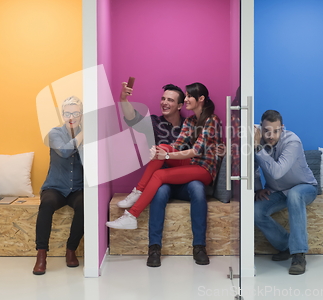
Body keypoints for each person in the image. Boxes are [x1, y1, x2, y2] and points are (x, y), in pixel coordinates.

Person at [106, 82, 222, 266]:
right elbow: (134, 119)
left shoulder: (204, 120)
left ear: (180, 104)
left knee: (196, 188)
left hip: (194, 172)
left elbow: (196, 151)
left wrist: (166, 154)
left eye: (171, 99)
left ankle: (199, 247)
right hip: (166, 179)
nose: (165, 102)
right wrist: (123, 99)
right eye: (163, 99)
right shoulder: (158, 122)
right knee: (159, 185)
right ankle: (154, 249)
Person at [253, 110, 317, 275]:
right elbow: (252, 166)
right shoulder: (256, 138)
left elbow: (277, 172)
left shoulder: (292, 141)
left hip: (304, 187)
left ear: (282, 128)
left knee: (295, 195)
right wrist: (258, 188)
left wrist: (258, 148)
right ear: (261, 127)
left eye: (276, 131)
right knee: (255, 211)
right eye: (267, 130)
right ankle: (287, 246)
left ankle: (299, 254)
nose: (271, 135)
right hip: (278, 191)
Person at [33, 96, 84, 275]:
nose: (72, 117)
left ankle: (71, 250)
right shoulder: (54, 133)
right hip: (55, 187)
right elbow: (64, 152)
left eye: (76, 113)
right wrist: (82, 135)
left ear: (82, 114)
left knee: (86, 205)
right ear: (62, 115)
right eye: (68, 113)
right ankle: (41, 256)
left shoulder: (88, 134)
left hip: (77, 188)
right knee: (46, 205)